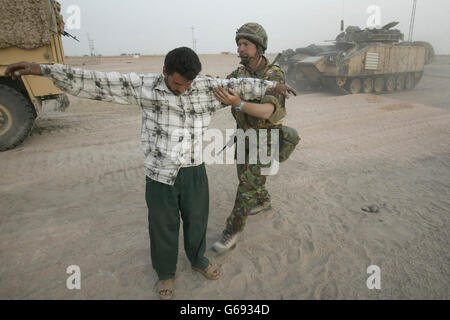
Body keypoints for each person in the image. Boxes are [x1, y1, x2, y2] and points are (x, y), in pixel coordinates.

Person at [5, 47, 296, 299]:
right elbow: (98, 81)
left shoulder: (206, 89)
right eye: (178, 83)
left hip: (195, 172)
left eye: (188, 83)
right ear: (164, 71)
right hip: (159, 175)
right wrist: (42, 69)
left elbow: (240, 84)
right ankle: (166, 273)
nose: (183, 88)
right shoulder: (144, 87)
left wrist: (271, 87)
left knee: (197, 221)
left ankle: (198, 259)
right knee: (162, 226)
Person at [212, 23, 289, 254]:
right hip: (243, 135)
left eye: (246, 44)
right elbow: (224, 88)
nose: (240, 48)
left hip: (265, 138)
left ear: (259, 47)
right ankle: (263, 200)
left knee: (246, 186)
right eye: (238, 44)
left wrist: (239, 104)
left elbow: (267, 111)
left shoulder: (273, 75)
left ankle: (231, 232)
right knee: (246, 176)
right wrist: (210, 83)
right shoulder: (239, 74)